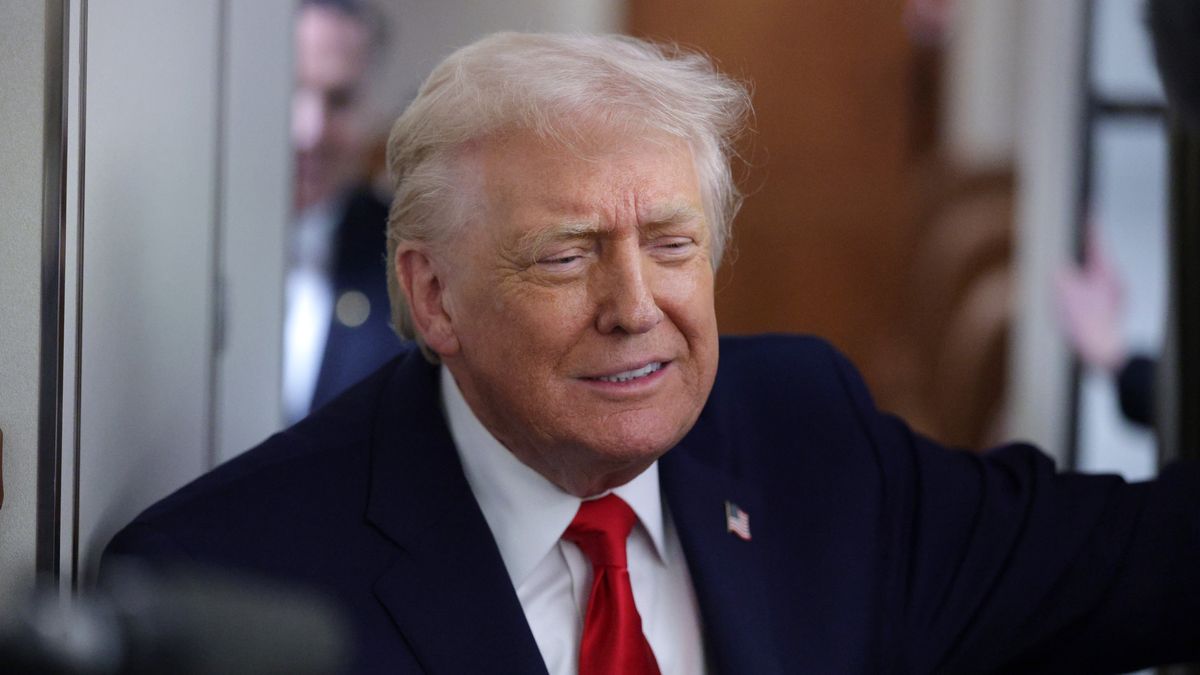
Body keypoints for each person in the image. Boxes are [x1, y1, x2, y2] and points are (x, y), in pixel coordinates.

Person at [104, 32, 1200, 673]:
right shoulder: (227, 585)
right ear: (432, 295)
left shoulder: (805, 435)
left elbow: (1146, 560)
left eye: (671, 244)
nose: (637, 308)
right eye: (567, 255)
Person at [285, 0, 401, 423]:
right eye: (288, 90)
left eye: (339, 99)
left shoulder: (411, 267)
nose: (309, 131)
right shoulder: (175, 249)